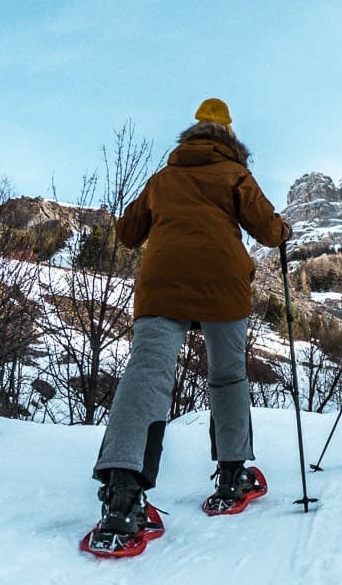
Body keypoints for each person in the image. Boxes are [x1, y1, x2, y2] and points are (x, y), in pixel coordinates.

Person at [88, 98, 291, 555]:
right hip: (223, 284)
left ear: (192, 134)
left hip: (163, 284)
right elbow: (268, 230)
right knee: (227, 376)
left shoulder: (164, 178)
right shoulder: (235, 173)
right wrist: (284, 233)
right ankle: (232, 475)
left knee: (146, 376)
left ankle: (123, 496)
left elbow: (127, 234)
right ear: (229, 136)